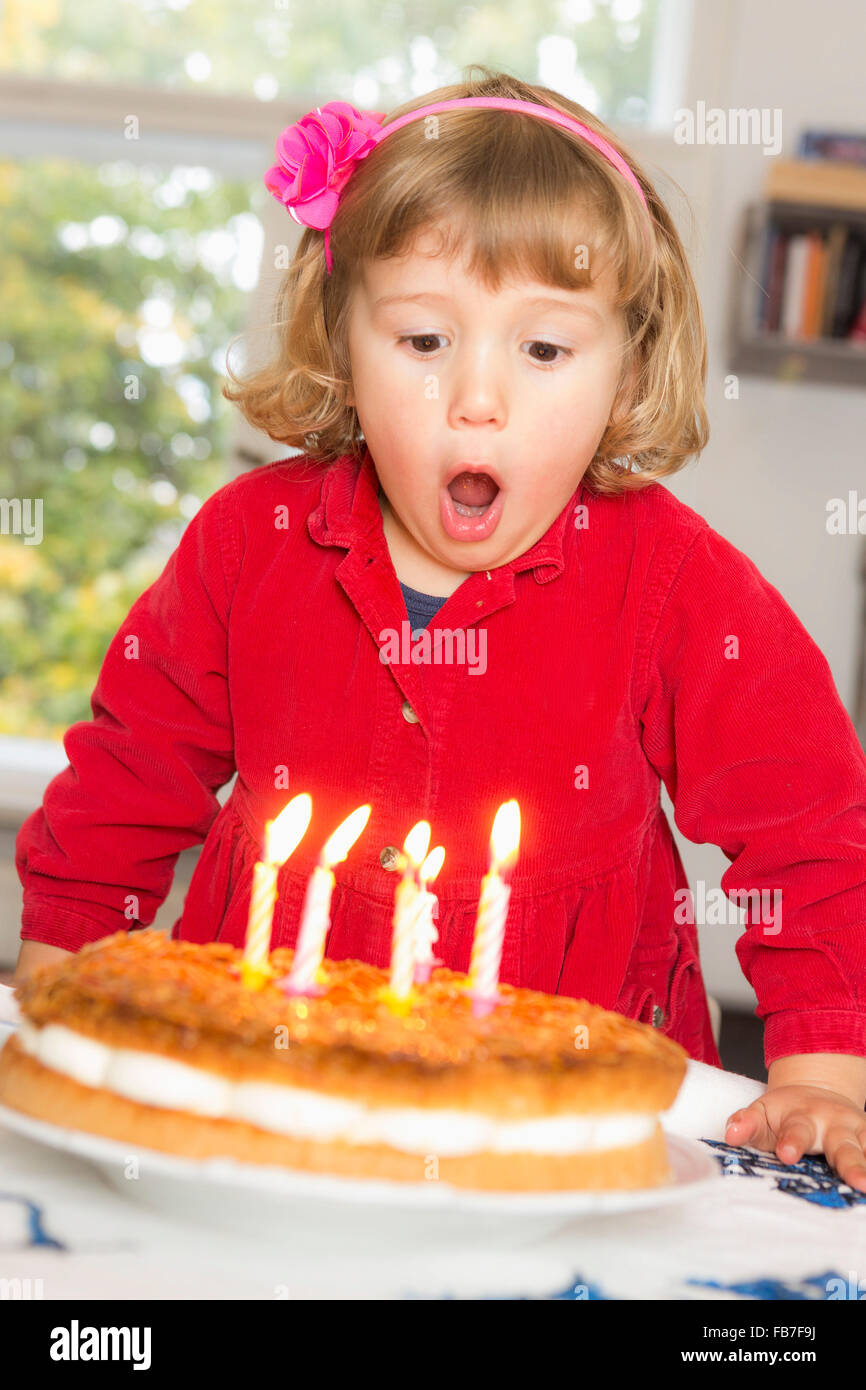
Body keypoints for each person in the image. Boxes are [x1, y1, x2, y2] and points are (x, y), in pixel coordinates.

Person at [14, 68, 866, 1189]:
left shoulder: (676, 583)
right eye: (422, 340)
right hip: (262, 1090)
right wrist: (56, 1004)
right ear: (342, 342)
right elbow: (123, 788)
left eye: (543, 350)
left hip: (569, 1119)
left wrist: (827, 1076)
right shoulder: (244, 542)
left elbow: (810, 833)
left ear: (624, 367)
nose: (478, 398)